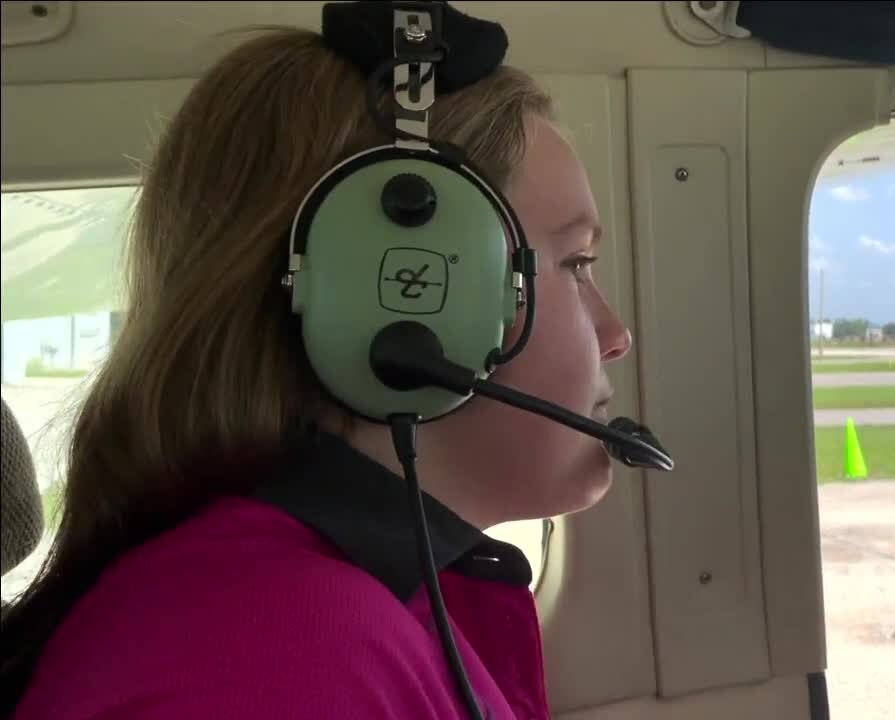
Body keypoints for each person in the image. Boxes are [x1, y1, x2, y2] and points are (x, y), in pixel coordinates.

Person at [0, 15, 633, 720]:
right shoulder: (279, 656)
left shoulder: (344, 604)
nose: (616, 335)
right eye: (576, 264)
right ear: (389, 301)